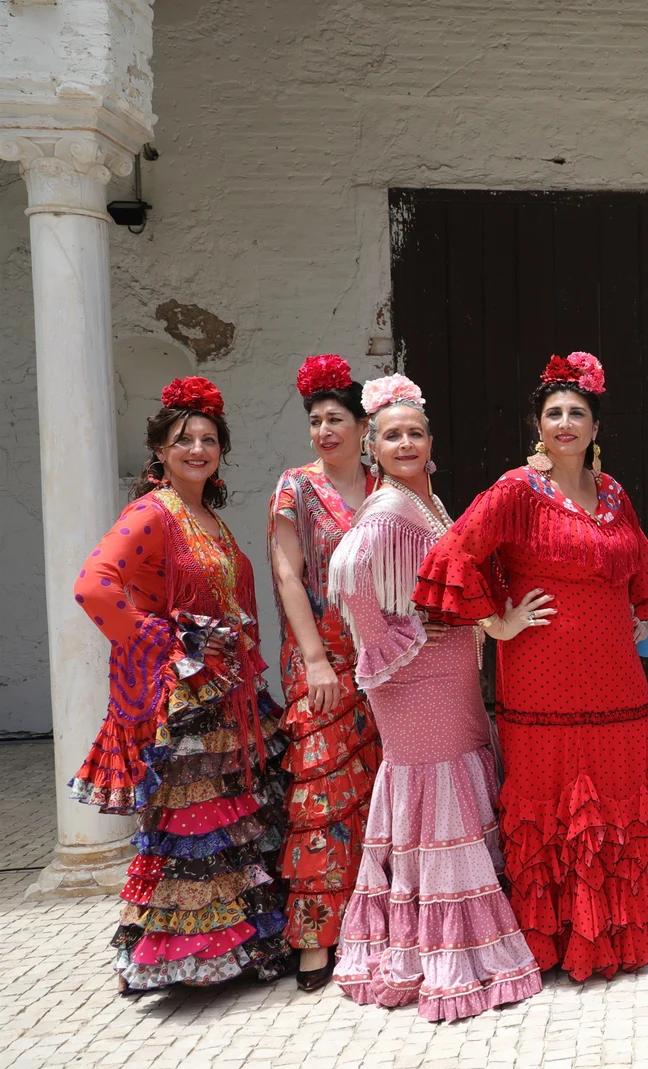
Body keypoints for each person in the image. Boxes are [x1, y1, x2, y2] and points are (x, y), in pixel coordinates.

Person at [412, 352, 648, 982]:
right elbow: (453, 554)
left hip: (615, 672)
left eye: (577, 413)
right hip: (541, 674)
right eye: (553, 413)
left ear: (596, 428)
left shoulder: (614, 492)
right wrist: (497, 622)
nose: (565, 423)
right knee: (553, 801)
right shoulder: (516, 490)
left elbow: (639, 559)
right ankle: (562, 936)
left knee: (622, 789)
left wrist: (637, 608)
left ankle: (629, 926)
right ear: (538, 426)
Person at [68, 376, 292, 995]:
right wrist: (163, 643)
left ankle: (238, 949)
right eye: (183, 439)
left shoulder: (207, 518)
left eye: (209, 439)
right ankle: (186, 956)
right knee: (192, 825)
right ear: (160, 452)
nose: (198, 448)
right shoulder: (151, 511)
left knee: (230, 821)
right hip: (186, 704)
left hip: (226, 697)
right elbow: (94, 585)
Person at [328, 375, 542, 1020]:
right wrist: (396, 645)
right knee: (433, 788)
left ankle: (438, 939)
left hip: (446, 675)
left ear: (431, 440)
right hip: (415, 680)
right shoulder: (390, 510)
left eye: (414, 432)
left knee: (455, 777)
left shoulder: (426, 504)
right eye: (391, 435)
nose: (405, 443)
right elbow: (350, 575)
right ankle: (446, 955)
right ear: (372, 446)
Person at [268, 354, 384, 990]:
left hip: (386, 659)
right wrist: (313, 657)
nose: (324, 432)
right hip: (324, 663)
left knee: (378, 793)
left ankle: (375, 925)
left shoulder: (384, 483)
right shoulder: (296, 486)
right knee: (322, 796)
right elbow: (287, 572)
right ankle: (317, 937)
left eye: (336, 419)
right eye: (316, 421)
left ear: (364, 425)